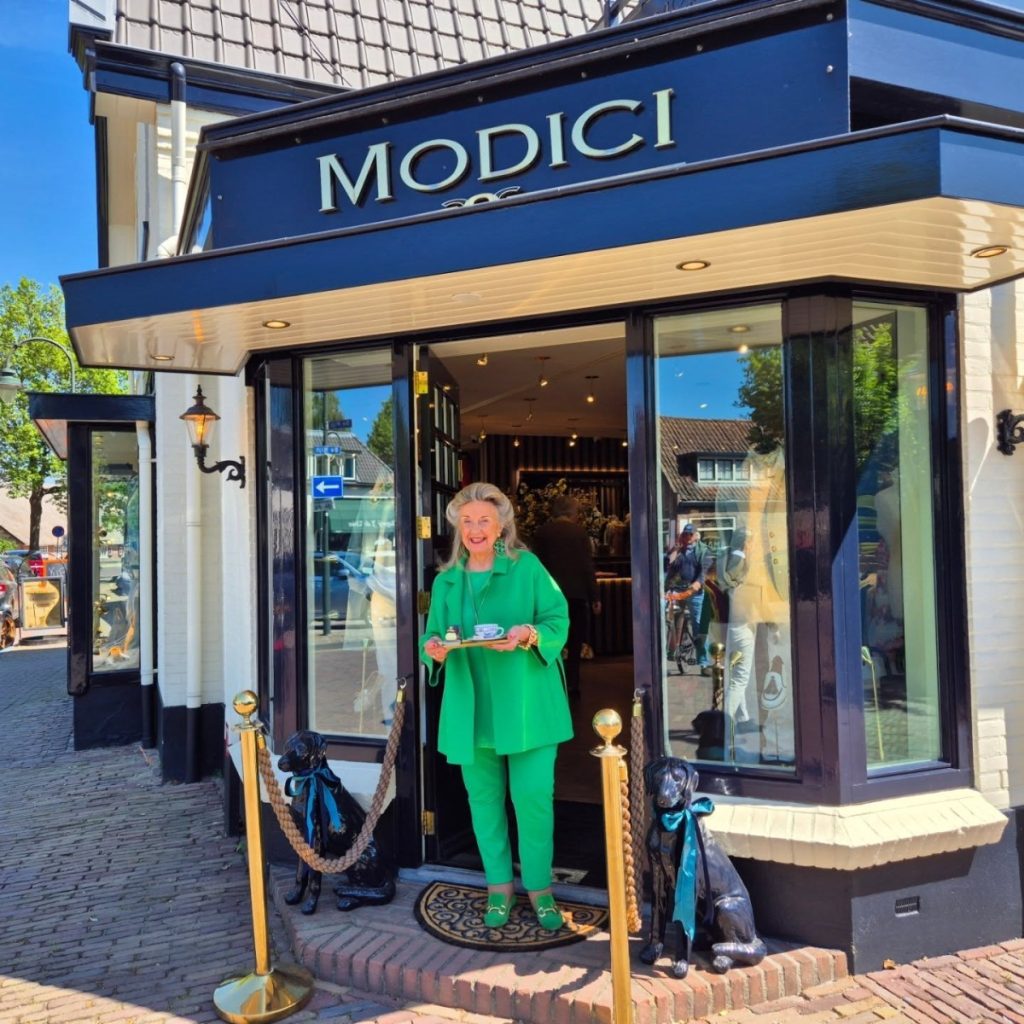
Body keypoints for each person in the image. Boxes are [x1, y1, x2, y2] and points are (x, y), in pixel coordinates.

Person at [420, 482, 572, 932]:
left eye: (484, 520)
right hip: (472, 709)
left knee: (533, 799)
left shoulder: (527, 567)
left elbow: (558, 618)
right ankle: (499, 887)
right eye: (467, 521)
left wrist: (529, 634)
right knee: (484, 802)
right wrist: (434, 649)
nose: (475, 529)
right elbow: (432, 637)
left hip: (528, 707)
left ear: (502, 524)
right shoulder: (446, 581)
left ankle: (541, 889)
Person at [531, 495, 601, 697]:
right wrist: (595, 596)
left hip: (549, 597)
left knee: (550, 639)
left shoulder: (542, 533)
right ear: (573, 513)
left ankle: (554, 682)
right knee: (575, 641)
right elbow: (587, 566)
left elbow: (536, 567)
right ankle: (573, 683)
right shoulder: (580, 533)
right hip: (576, 594)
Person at [664, 523, 710, 672]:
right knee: (671, 621)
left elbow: (704, 570)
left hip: (694, 591)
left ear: (696, 536)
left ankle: (703, 662)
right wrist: (676, 549)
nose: (688, 537)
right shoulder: (680, 551)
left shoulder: (703, 551)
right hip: (678, 590)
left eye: (690, 534)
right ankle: (672, 652)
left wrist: (698, 582)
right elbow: (670, 566)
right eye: (685, 534)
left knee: (698, 625)